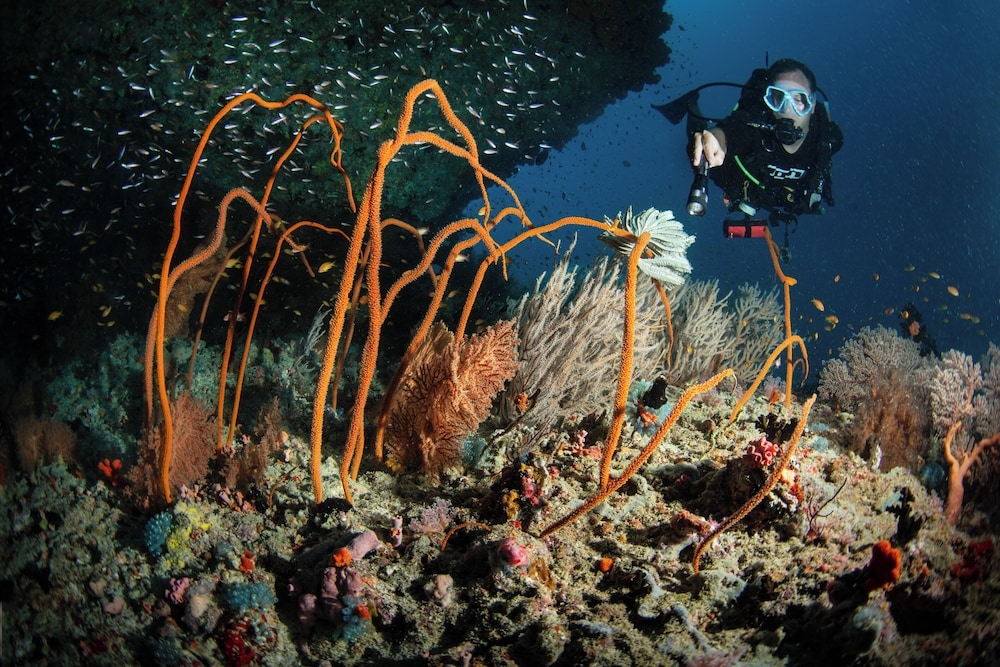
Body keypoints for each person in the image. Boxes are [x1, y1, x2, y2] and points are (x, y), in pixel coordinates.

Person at [671, 58, 843, 227]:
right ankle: (691, 104)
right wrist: (716, 139)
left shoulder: (828, 138)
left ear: (812, 105)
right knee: (700, 145)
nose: (787, 108)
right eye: (778, 97)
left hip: (779, 194)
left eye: (798, 99)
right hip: (740, 176)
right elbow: (732, 132)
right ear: (769, 100)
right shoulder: (755, 127)